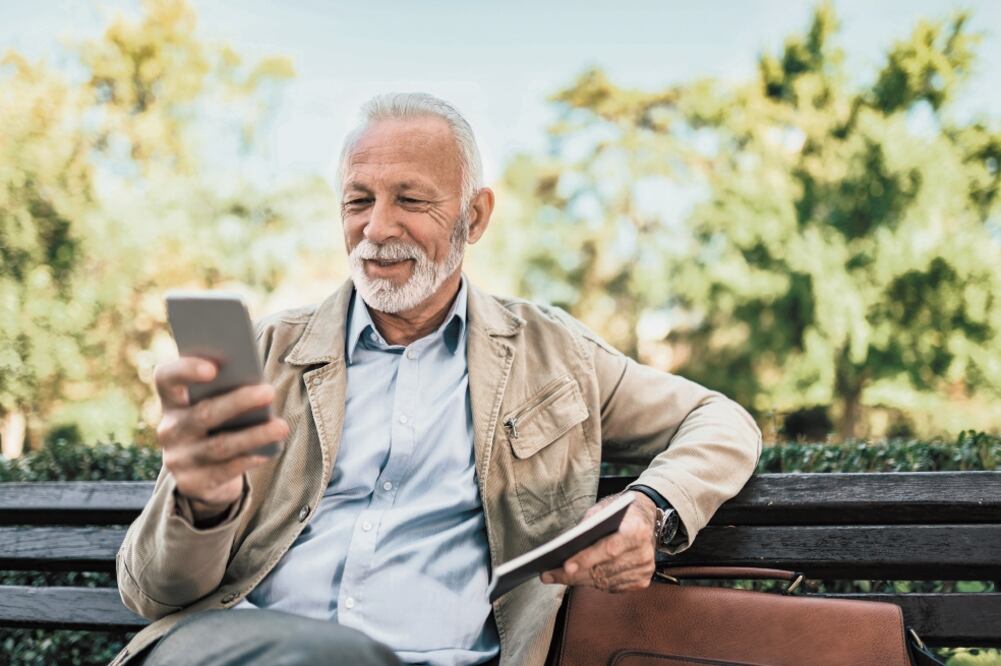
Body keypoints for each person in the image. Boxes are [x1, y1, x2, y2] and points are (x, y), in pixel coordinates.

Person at [112, 92, 762, 666]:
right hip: (245, 647)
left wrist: (649, 509)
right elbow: (153, 595)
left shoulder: (553, 356)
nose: (376, 228)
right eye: (358, 201)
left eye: (411, 200)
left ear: (474, 217)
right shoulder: (264, 354)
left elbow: (720, 421)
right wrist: (202, 505)